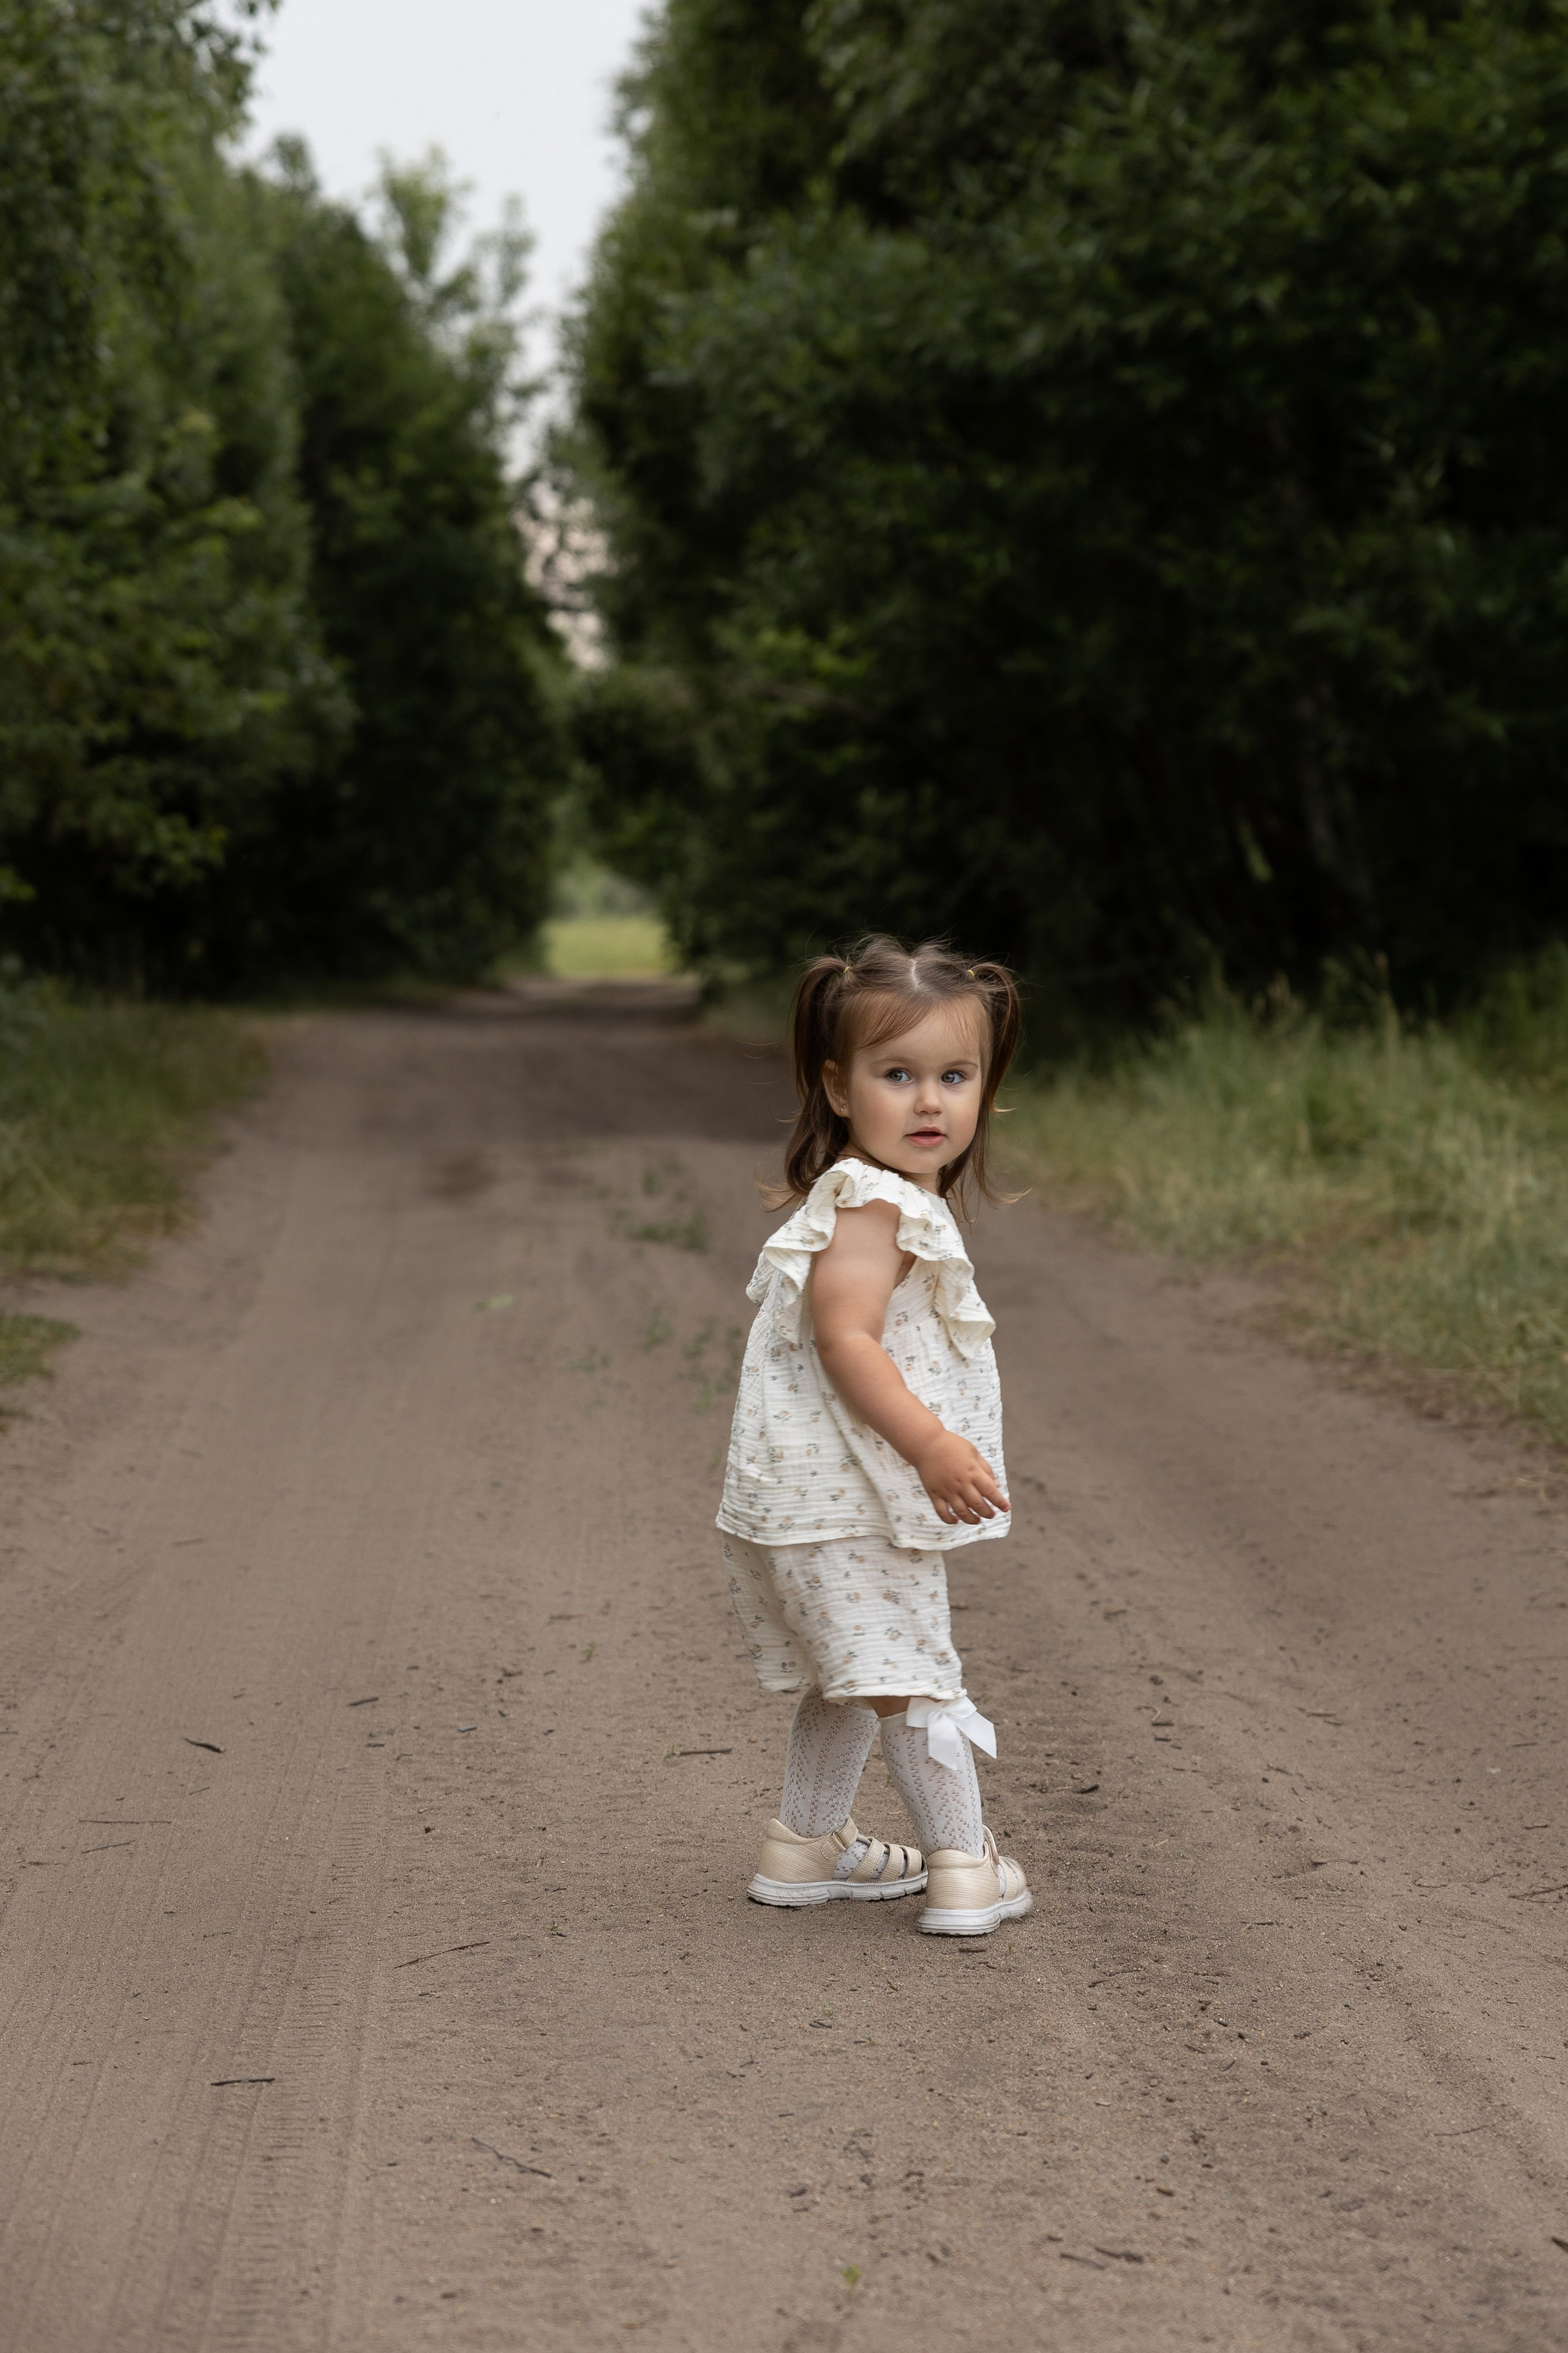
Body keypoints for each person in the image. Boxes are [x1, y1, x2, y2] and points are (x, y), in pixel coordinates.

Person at [718, 935, 1033, 1938]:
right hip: (848, 1502)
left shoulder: (870, 1198)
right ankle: (963, 1863)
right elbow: (846, 1338)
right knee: (915, 1679)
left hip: (805, 1503)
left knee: (851, 1669)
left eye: (955, 1075)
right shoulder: (874, 1204)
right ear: (839, 1088)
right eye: (898, 1075)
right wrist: (932, 1443)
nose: (930, 1101)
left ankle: (807, 1845)